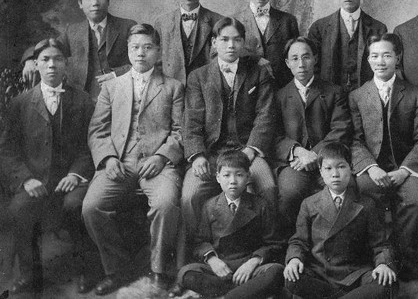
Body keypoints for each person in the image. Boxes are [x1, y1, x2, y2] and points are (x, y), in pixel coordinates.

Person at [82, 24, 184, 295]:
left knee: (165, 204)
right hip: (120, 161)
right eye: (135, 47)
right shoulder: (112, 87)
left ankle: (159, 270)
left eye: (148, 47)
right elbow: (98, 130)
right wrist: (107, 159)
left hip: (157, 163)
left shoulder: (173, 87)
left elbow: (180, 131)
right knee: (91, 207)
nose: (141, 53)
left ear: (158, 51)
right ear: (128, 50)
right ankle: (117, 269)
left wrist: (163, 156)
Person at [180, 17, 277, 265]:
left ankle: (259, 258)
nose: (231, 45)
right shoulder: (198, 76)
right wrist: (198, 155)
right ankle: (197, 259)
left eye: (236, 39)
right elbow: (191, 122)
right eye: (224, 39)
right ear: (214, 42)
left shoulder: (258, 72)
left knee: (267, 188)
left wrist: (251, 150)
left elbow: (265, 116)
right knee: (190, 197)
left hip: (247, 151)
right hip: (212, 154)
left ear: (244, 42)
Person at [1, 38, 95, 294]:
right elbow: (8, 149)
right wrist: (26, 179)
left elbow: (90, 146)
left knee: (77, 206)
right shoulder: (21, 103)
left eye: (58, 59)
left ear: (66, 64)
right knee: (19, 208)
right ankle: (31, 275)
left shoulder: (83, 101)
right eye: (45, 60)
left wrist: (76, 174)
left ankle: (85, 270)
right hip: (35, 180)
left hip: (70, 179)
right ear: (37, 64)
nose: (52, 65)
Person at [349, 33, 418, 280]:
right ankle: (373, 266)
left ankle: (410, 270)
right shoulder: (358, 95)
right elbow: (354, 140)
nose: (380, 61)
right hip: (373, 168)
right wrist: (370, 167)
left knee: (417, 202)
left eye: (387, 55)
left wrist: (404, 170)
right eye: (375, 56)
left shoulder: (416, 93)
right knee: (363, 196)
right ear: (368, 60)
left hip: (406, 168)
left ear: (397, 58)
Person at [284, 142, 397, 299]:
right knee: (292, 279)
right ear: (321, 172)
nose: (335, 174)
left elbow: (380, 244)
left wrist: (383, 264)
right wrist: (294, 259)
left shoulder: (366, 203)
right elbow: (299, 241)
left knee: (386, 282)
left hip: (354, 274)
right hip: (321, 272)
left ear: (351, 168)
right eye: (328, 168)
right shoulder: (309, 204)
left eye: (341, 167)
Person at [174, 150, 284, 299]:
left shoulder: (260, 205)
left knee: (276, 271)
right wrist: (213, 260)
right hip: (222, 267)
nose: (233, 181)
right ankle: (244, 293)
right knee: (186, 274)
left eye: (239, 175)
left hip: (249, 267)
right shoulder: (209, 206)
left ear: (248, 177)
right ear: (218, 178)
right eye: (226, 175)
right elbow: (201, 242)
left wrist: (253, 262)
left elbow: (274, 243)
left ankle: (229, 296)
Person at [274, 36, 352, 237]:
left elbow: (341, 129)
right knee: (290, 192)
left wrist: (315, 154)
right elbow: (274, 134)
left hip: (328, 160)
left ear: (315, 59)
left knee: (342, 190)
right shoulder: (279, 96)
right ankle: (291, 249)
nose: (301, 64)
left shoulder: (334, 92)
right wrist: (298, 151)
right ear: (287, 63)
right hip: (294, 162)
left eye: (306, 57)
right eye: (295, 58)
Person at [22, 0, 137, 102]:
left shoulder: (127, 26)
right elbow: (49, 48)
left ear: (108, 1)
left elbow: (143, 61)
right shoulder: (73, 31)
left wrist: (116, 75)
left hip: (120, 96)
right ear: (80, 4)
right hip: (82, 100)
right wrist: (30, 59)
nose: (95, 3)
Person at [308, 0, 387, 93]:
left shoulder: (378, 28)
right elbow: (313, 68)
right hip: (330, 98)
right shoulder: (319, 27)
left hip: (365, 96)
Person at [154, 0, 224, 84]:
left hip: (205, 85)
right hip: (171, 87)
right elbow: (156, 60)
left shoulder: (218, 20)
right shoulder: (162, 22)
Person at [235, 0, 299, 88]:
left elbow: (295, 57)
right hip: (245, 89)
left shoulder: (288, 21)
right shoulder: (234, 21)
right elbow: (221, 54)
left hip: (279, 89)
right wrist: (255, 59)